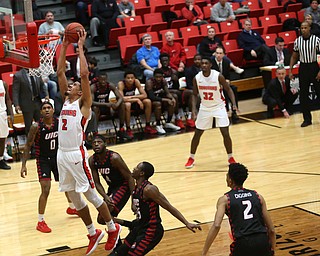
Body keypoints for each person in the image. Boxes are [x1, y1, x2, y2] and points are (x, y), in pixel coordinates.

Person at [57, 29, 121, 255]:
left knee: (91, 195)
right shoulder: (66, 101)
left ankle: (113, 228)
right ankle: (93, 232)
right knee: (74, 198)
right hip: (61, 155)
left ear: (80, 91)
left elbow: (84, 75)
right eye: (71, 84)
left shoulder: (83, 106)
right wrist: (64, 45)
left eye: (74, 85)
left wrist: (80, 47)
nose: (71, 85)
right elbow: (59, 72)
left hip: (76, 154)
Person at [110, 161, 202, 255]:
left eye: (137, 168)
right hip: (140, 227)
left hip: (151, 230)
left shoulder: (149, 190)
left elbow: (168, 206)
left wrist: (186, 223)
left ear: (142, 173)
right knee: (118, 253)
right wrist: (116, 219)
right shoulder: (136, 187)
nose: (134, 169)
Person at [20, 101, 78, 233]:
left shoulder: (59, 123)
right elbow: (28, 145)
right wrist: (23, 165)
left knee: (67, 184)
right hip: (43, 160)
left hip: (58, 158)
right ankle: (40, 221)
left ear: (53, 110)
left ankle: (71, 207)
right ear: (41, 112)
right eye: (44, 108)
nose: (46, 110)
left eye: (49, 108)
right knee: (46, 189)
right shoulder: (36, 126)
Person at [202, 163, 276, 256]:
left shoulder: (225, 199)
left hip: (243, 242)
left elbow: (216, 225)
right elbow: (271, 230)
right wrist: (272, 249)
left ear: (230, 179)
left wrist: (204, 252)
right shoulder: (258, 196)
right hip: (262, 241)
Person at [185, 57, 237, 169]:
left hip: (219, 107)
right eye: (202, 63)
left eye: (206, 63)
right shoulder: (197, 78)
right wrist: (194, 111)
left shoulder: (218, 76)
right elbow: (194, 94)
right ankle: (191, 158)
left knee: (225, 132)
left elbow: (228, 89)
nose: (203, 65)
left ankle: (230, 157)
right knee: (197, 133)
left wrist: (233, 104)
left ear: (210, 65)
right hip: (205, 107)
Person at [89, 134, 134, 222]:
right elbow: (97, 183)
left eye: (99, 142)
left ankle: (127, 227)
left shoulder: (114, 158)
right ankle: (129, 225)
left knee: (104, 216)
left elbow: (130, 177)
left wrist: (134, 198)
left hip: (124, 186)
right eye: (94, 143)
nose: (96, 144)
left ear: (105, 144)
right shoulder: (92, 160)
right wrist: (105, 196)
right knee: (101, 219)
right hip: (112, 188)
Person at [289, 21, 320, 127]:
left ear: (309, 28)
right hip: (303, 67)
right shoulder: (297, 41)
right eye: (302, 28)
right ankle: (307, 119)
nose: (303, 30)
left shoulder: (316, 40)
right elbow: (294, 56)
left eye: (305, 28)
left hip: (314, 66)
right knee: (303, 95)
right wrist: (290, 70)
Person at [91, 73, 131, 140]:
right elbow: (91, 102)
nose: (103, 82)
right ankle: (95, 133)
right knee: (95, 108)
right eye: (101, 80)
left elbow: (120, 97)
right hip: (97, 108)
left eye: (105, 80)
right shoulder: (93, 87)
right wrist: (105, 104)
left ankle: (121, 129)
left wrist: (116, 104)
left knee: (122, 105)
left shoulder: (110, 85)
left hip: (107, 108)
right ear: (98, 80)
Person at [118, 70, 158, 136]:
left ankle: (148, 126)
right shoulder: (121, 84)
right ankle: (128, 129)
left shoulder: (136, 82)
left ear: (134, 78)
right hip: (125, 104)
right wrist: (136, 99)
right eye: (128, 78)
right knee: (127, 105)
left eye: (132, 78)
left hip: (133, 101)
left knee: (147, 101)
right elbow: (122, 99)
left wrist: (134, 98)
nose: (130, 80)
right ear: (125, 79)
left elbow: (144, 95)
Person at [12, 68, 49, 135]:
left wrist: (46, 95)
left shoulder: (37, 72)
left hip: (37, 101)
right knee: (29, 126)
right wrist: (16, 105)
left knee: (41, 124)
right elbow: (15, 91)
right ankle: (30, 144)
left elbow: (42, 85)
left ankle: (41, 141)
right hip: (26, 104)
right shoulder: (18, 75)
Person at [145, 69, 181, 134]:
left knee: (172, 100)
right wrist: (166, 99)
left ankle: (168, 122)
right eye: (157, 77)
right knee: (158, 103)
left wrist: (172, 98)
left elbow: (167, 93)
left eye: (160, 77)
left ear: (162, 76)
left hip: (160, 98)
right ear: (153, 76)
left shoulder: (163, 81)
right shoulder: (149, 82)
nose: (158, 79)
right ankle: (158, 125)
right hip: (151, 101)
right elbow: (151, 97)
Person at [211, 46, 239, 123]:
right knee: (224, 90)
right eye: (217, 53)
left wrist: (228, 81)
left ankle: (234, 111)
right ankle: (225, 110)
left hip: (224, 84)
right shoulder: (211, 62)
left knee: (233, 88)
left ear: (224, 54)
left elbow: (228, 75)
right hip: (214, 85)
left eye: (220, 53)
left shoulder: (226, 61)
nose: (218, 55)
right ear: (215, 54)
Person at [159, 53, 186, 129]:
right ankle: (177, 117)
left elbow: (177, 87)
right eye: (163, 61)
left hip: (172, 91)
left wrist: (176, 81)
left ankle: (175, 118)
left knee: (176, 94)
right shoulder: (158, 72)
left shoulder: (173, 71)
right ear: (160, 61)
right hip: (162, 93)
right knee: (175, 95)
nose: (165, 62)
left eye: (166, 60)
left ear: (169, 61)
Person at [0, 79, 14, 170]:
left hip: (2, 113)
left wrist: (11, 113)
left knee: (2, 137)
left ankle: (0, 159)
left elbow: (8, 99)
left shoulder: (3, 83)